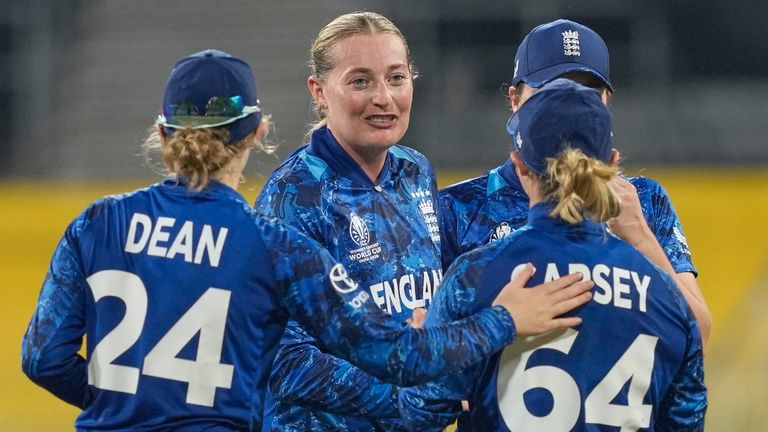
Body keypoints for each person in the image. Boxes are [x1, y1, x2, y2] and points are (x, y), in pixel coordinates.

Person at [20, 49, 594, 431]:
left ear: (165, 131)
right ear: (257, 131)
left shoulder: (98, 224)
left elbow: (43, 361)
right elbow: (393, 353)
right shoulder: (274, 248)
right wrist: (504, 321)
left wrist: (127, 408)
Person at [254, 12, 590, 432]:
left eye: (396, 78)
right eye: (360, 81)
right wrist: (411, 397)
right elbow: (285, 361)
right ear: (319, 91)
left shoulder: (415, 172)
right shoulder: (294, 197)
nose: (383, 97)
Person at [400, 78, 707, 431]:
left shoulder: (474, 276)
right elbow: (686, 421)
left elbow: (420, 415)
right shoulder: (666, 295)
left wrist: (435, 347)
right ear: (611, 161)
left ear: (519, 164)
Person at [438, 18, 712, 349]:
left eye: (587, 91)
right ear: (514, 99)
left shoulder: (644, 201)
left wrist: (640, 236)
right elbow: (429, 354)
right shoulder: (457, 209)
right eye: (550, 89)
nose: (568, 101)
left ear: (608, 101)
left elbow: (699, 339)